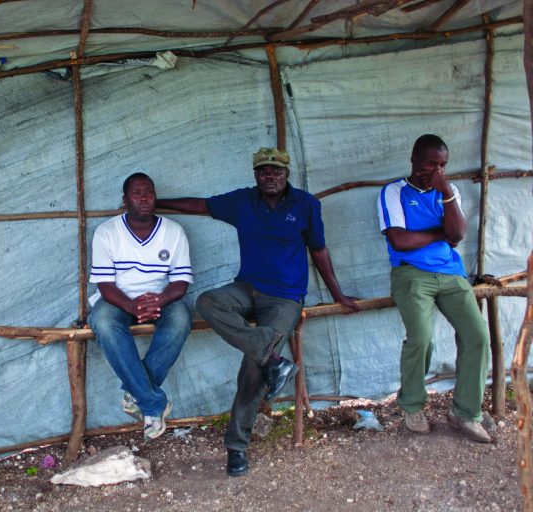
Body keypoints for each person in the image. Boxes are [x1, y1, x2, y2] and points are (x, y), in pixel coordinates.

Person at [156, 148, 358, 476]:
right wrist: (158, 204)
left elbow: (318, 250)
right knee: (207, 302)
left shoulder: (306, 205)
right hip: (247, 288)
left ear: (286, 174)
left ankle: (236, 446)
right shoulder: (243, 201)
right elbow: (200, 205)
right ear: (255, 175)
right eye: (264, 171)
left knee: (253, 366)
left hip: (285, 299)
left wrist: (338, 294)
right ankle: (272, 356)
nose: (270, 177)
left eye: (276, 171)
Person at [377, 134, 491, 443]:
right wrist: (441, 233)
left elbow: (458, 234)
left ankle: (465, 412)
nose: (437, 170)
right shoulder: (393, 192)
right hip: (411, 275)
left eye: (442, 165)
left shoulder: (448, 190)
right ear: (414, 159)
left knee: (477, 336)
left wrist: (446, 196)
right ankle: (412, 406)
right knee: (422, 339)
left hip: (452, 274)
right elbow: (400, 240)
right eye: (431, 163)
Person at [88, 172, 193, 441]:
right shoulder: (107, 232)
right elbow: (105, 285)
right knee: (102, 322)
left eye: (148, 192)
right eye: (136, 193)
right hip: (118, 300)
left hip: (160, 299)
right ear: (125, 200)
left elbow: (181, 282)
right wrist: (132, 306)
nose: (143, 198)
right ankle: (153, 403)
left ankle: (138, 395)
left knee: (181, 317)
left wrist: (159, 300)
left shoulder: (173, 231)